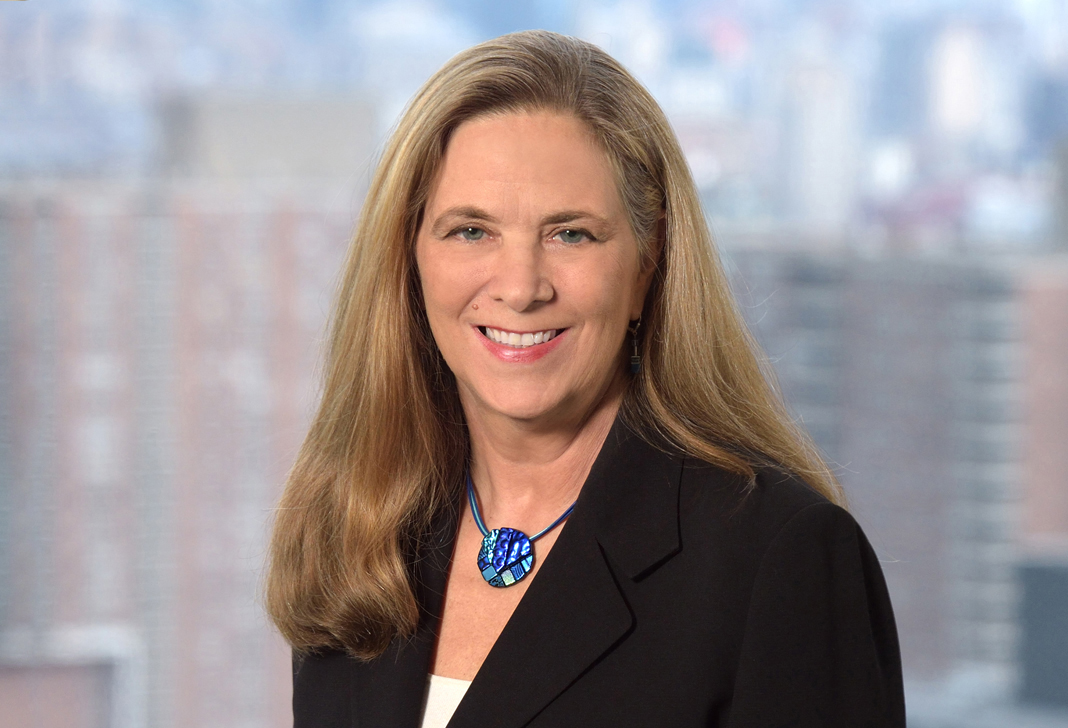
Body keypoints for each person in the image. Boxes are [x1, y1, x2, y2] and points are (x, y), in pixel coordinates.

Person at [266, 30, 905, 728]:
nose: (520, 288)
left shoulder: (777, 559)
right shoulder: (362, 531)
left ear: (648, 261)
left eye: (570, 233)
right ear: (409, 258)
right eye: (471, 231)